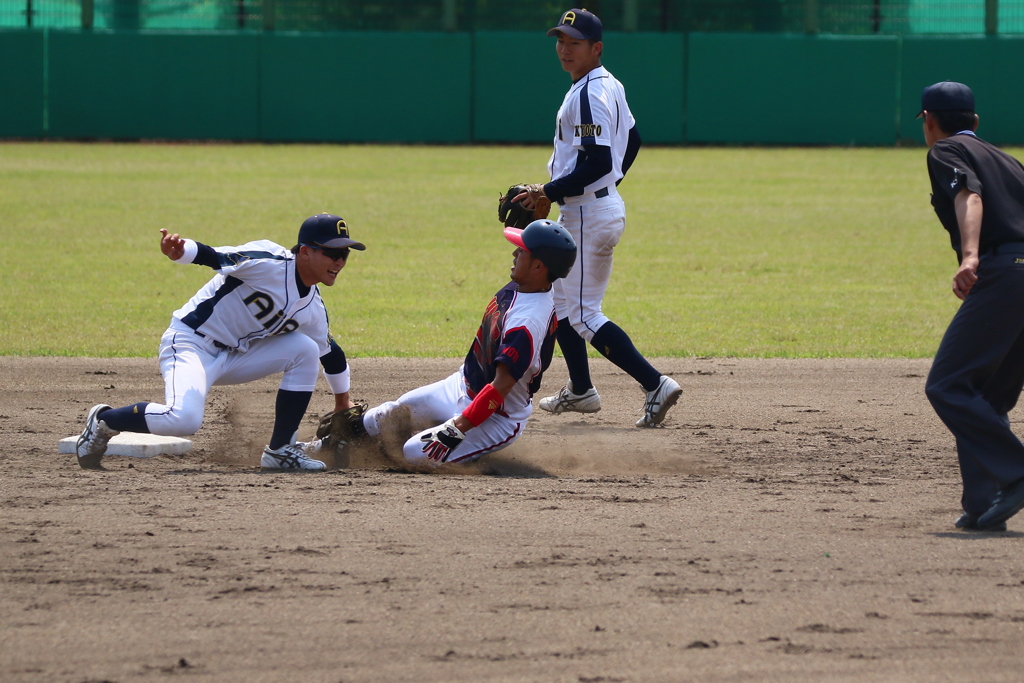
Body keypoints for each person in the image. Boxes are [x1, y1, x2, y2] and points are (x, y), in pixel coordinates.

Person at [74, 213, 365, 472]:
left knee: (306, 349)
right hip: (191, 343)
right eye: (332, 253)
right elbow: (213, 256)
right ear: (305, 251)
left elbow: (331, 355)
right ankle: (105, 420)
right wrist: (180, 250)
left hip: (234, 357)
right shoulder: (269, 261)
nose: (340, 261)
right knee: (184, 420)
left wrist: (342, 402)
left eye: (345, 255)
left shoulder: (312, 307)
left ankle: (280, 451)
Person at [516, 8, 681, 428]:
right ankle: (581, 389)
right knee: (561, 303)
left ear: (596, 48)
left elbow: (599, 159)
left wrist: (548, 191)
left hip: (588, 215)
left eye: (575, 42)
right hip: (593, 207)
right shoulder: (607, 85)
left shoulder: (590, 92)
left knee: (585, 313)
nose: (565, 49)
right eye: (561, 40)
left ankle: (655, 383)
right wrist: (605, 186)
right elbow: (634, 139)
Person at [341, 218, 576, 468]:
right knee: (384, 416)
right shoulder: (529, 284)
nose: (515, 252)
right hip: (460, 385)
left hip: (496, 417)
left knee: (415, 453)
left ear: (539, 266)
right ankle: (321, 448)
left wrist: (457, 427)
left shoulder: (527, 324)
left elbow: (499, 388)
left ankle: (467, 453)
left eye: (522, 251)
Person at [920, 81, 1024, 531]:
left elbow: (970, 196)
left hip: (1004, 274)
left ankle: (1016, 472)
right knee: (987, 396)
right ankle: (984, 502)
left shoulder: (945, 152)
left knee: (948, 385)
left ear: (929, 120)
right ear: (976, 122)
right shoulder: (1010, 161)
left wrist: (970, 255)